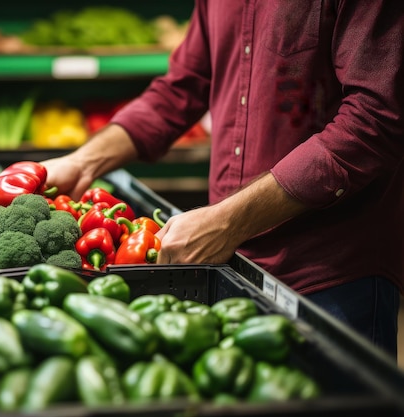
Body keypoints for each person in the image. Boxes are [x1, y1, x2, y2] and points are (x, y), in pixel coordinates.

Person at [41, 0, 404, 359]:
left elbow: (375, 120)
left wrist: (228, 221)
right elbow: (180, 88)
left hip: (330, 275)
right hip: (232, 264)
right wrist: (82, 163)